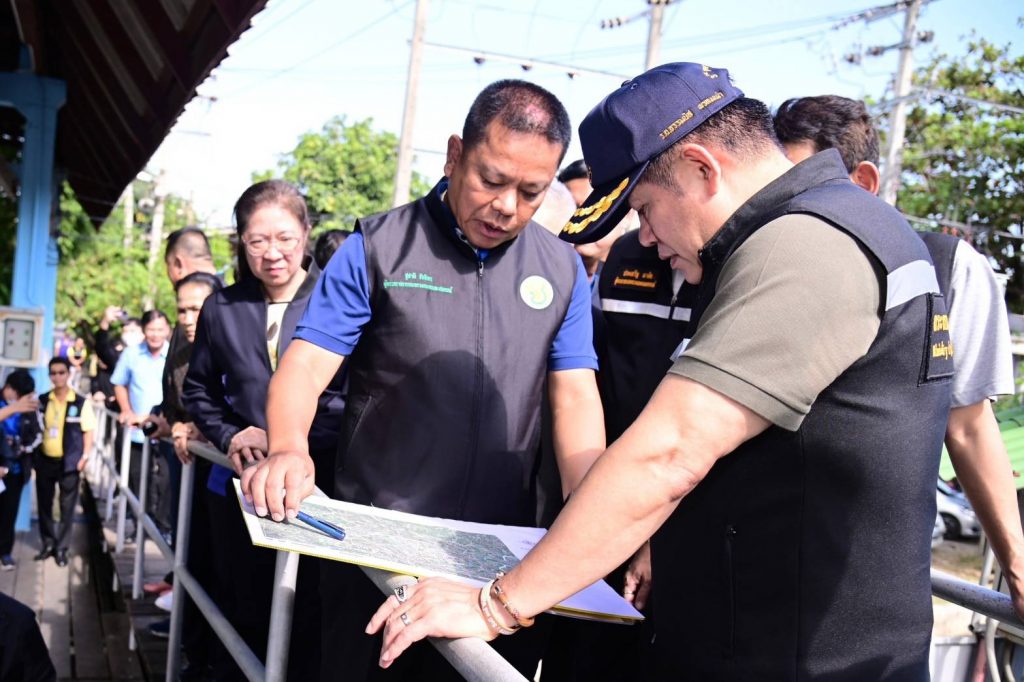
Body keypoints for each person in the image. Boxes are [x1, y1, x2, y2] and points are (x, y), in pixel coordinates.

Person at [366, 62, 954, 681]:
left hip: (803, 658)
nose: (643, 238)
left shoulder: (803, 245)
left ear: (702, 169)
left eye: (645, 208)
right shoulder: (839, 225)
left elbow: (671, 453)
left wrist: (496, 604)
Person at [243, 79, 605, 681]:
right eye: (491, 180)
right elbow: (304, 363)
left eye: (531, 192)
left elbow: (575, 401)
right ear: (455, 155)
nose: (507, 206)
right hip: (376, 547)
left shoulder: (562, 269)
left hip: (497, 558)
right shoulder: (377, 248)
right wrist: (287, 447)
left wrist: (597, 520)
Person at [773, 93, 1024, 616]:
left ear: (863, 183)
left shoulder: (948, 269)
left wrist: (1017, 569)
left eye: (799, 189)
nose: (780, 211)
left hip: (869, 596)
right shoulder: (757, 267)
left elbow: (969, 427)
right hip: (751, 573)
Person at [183, 179, 341, 681]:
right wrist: (230, 435)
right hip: (244, 485)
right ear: (241, 242)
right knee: (242, 600)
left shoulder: (338, 302)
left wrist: (285, 439)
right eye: (258, 241)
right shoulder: (223, 308)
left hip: (321, 482)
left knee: (312, 608)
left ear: (306, 234)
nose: (273, 253)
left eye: (285, 238)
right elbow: (198, 390)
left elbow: (353, 397)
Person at [110, 309, 171, 536]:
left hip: (166, 430)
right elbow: (119, 383)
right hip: (137, 430)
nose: (155, 334)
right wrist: (126, 410)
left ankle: (163, 528)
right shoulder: (131, 354)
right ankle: (140, 526)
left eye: (160, 329)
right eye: (151, 329)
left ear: (167, 330)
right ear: (144, 330)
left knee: (166, 480)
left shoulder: (175, 353)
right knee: (138, 479)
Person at [36, 357, 96, 568]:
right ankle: (47, 543)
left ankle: (62, 548)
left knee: (66, 506)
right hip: (45, 460)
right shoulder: (43, 400)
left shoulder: (80, 402)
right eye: (53, 373)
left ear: (69, 374)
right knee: (44, 504)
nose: (57, 377)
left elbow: (88, 431)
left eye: (61, 372)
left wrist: (85, 456)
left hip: (70, 462)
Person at [0, 371, 42, 570]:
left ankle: (4, 553)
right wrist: (13, 408)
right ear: (8, 388)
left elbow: (37, 434)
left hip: (15, 470)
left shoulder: (28, 409)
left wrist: (24, 448)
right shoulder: (14, 406)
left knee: (9, 514)